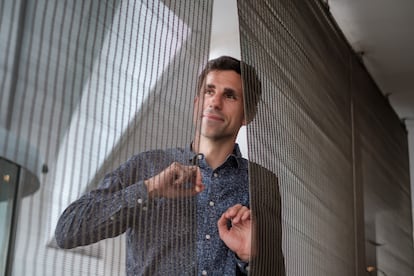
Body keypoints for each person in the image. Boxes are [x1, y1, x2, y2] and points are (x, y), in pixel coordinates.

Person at [55, 56, 285, 275]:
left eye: (230, 95)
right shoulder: (146, 165)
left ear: (249, 114)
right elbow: (67, 231)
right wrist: (150, 189)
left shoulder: (262, 183)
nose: (215, 102)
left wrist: (249, 259)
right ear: (196, 104)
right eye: (209, 91)